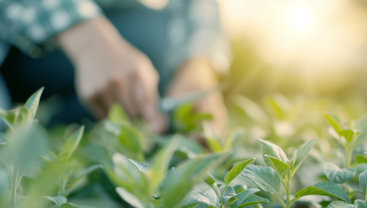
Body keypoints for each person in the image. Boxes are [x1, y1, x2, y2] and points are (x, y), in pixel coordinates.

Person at [0, 0, 229, 134]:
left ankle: (66, 126)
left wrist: (196, 66)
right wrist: (88, 40)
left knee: (159, 41)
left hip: (104, 19)